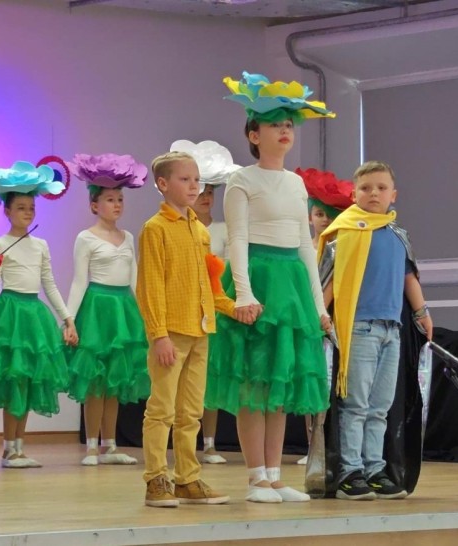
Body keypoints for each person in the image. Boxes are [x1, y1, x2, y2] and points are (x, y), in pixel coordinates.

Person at [205, 72, 335, 503]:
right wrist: (243, 293)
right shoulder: (242, 180)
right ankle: (255, 477)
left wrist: (318, 306)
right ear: (253, 134)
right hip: (257, 279)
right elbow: (237, 239)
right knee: (254, 383)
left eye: (288, 124)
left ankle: (276, 475)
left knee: (280, 384)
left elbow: (305, 245)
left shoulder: (296, 183)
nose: (284, 130)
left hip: (290, 286)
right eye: (275, 124)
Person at [317, 160, 433, 500]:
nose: (374, 193)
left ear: (393, 195)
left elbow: (408, 277)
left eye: (382, 188)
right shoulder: (345, 232)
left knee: (380, 405)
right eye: (366, 188)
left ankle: (375, 469)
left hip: (391, 330)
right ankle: (349, 471)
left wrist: (422, 312)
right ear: (354, 194)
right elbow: (330, 279)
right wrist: (320, 313)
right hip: (359, 328)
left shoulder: (399, 236)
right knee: (355, 403)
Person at [136, 151, 238, 508]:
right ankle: (156, 478)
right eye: (185, 179)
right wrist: (159, 335)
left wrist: (234, 307)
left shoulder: (200, 230)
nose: (194, 186)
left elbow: (210, 284)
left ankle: (187, 478)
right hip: (171, 334)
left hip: (201, 331)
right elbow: (150, 287)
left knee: (191, 412)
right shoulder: (155, 229)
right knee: (161, 409)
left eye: (197, 180)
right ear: (163, 184)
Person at [0, 161, 75, 468]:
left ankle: (19, 447)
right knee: (14, 381)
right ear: (7, 211)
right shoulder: (0, 243)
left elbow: (49, 283)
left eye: (31, 208)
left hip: (34, 315)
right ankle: (8, 450)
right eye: (20, 208)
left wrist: (67, 318)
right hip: (11, 316)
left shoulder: (40, 245)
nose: (27, 212)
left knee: (29, 381)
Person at [66, 153, 149, 466]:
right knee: (96, 381)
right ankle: (91, 446)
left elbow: (135, 279)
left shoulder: (128, 237)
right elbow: (79, 281)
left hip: (123, 310)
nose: (117, 205)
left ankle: (110, 445)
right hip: (97, 309)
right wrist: (70, 320)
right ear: (94, 205)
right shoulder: (85, 238)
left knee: (115, 381)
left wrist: (145, 316)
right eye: (110, 199)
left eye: (120, 199)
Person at [170, 139, 241, 465]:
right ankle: (182, 444)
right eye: (201, 189)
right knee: (183, 378)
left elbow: (231, 269)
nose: (206, 196)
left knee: (210, 377)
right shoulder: (179, 228)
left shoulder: (225, 229)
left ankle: (209, 444)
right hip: (186, 306)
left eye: (211, 190)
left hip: (217, 307)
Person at [294, 166, 354, 465]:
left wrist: (323, 311)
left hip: (333, 319)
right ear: (309, 216)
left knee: (331, 382)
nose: (324, 220)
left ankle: (336, 446)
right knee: (311, 380)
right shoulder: (300, 247)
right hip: (306, 318)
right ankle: (313, 446)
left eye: (329, 215)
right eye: (319, 214)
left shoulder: (340, 247)